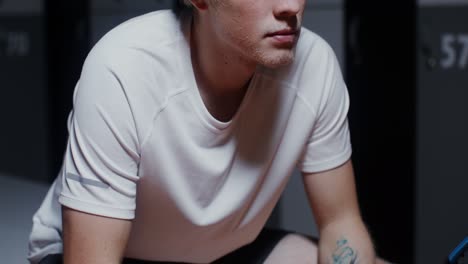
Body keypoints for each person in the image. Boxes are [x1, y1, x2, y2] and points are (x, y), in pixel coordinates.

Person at [28, 0, 387, 263]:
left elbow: (341, 222)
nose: (292, 6)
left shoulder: (314, 65)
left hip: (222, 250)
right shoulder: (123, 69)